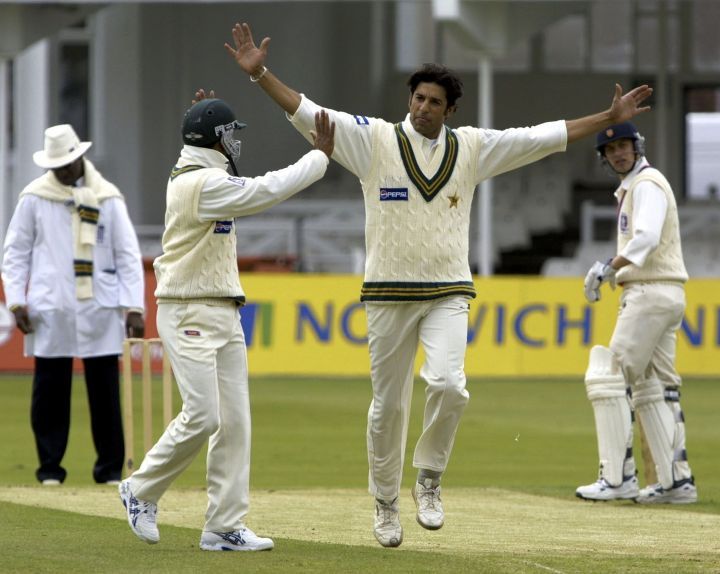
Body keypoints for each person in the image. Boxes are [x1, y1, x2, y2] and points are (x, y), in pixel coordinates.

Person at [225, 22, 654, 547]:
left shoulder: (472, 148)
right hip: (386, 293)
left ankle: (428, 479)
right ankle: (385, 501)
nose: (423, 107)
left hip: (448, 289)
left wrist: (608, 119)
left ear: (451, 110)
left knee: (450, 385)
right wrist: (261, 75)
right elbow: (308, 111)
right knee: (389, 407)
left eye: (434, 102)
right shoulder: (373, 139)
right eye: (418, 98)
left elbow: (543, 137)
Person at [117, 91, 335, 551]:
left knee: (235, 422)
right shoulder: (199, 184)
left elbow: (236, 180)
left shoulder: (205, 171)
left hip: (223, 307)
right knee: (204, 415)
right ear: (215, 138)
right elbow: (263, 191)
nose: (235, 143)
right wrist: (318, 159)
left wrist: (204, 115)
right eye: (229, 135)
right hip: (188, 306)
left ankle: (223, 526)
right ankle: (139, 489)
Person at [1, 124, 145, 486]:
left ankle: (110, 469)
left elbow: (127, 255)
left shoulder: (107, 197)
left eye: (67, 163)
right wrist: (16, 299)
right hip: (51, 308)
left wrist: (135, 307)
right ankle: (50, 469)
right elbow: (15, 253)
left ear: (80, 158)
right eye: (56, 166)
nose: (62, 172)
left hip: (100, 305)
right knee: (49, 392)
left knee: (105, 393)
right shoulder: (34, 197)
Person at [576, 121, 697, 504]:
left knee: (608, 375)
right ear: (604, 159)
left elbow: (645, 237)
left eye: (624, 146)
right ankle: (675, 484)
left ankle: (617, 479)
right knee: (654, 386)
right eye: (611, 151)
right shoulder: (636, 187)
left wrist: (609, 266)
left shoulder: (646, 185)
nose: (618, 154)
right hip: (664, 291)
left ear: (637, 146)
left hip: (649, 292)